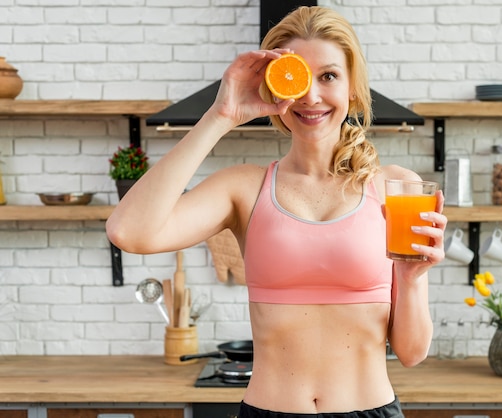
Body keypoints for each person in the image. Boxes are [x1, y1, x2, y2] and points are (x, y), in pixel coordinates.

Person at [106, 6, 447, 418]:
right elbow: (129, 231)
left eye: (329, 76)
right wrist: (221, 116)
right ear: (273, 85)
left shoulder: (394, 187)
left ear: (353, 86)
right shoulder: (243, 188)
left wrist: (410, 279)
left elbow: (411, 353)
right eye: (298, 77)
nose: (312, 96)